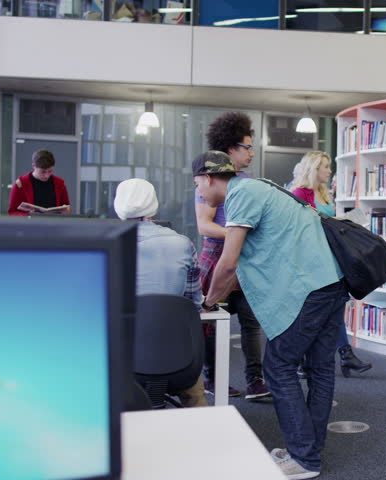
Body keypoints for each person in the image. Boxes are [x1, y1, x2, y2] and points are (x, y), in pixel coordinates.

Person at [195, 150, 346, 480]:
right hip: (332, 283)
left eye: (198, 186)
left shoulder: (240, 195)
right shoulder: (263, 186)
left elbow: (229, 261)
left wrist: (207, 302)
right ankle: (307, 452)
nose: (201, 194)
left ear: (207, 178)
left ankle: (304, 458)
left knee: (278, 366)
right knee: (320, 368)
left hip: (310, 291)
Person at [195, 111, 270, 401]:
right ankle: (213, 379)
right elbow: (204, 225)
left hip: (243, 258)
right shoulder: (209, 180)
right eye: (247, 147)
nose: (252, 153)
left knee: (251, 321)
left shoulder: (247, 181)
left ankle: (255, 381)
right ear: (229, 149)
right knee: (213, 325)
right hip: (218, 258)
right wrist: (238, 235)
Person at [113, 178, 207, 408]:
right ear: (154, 205)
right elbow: (194, 303)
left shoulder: (109, 245)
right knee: (195, 396)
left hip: (122, 363)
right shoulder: (183, 244)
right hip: (178, 358)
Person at [290, 151, 373, 377]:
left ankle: (343, 355)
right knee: (315, 311)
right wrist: (340, 221)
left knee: (335, 307)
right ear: (314, 168)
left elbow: (325, 221)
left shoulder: (325, 193)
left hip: (331, 256)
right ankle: (310, 358)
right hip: (311, 261)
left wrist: (346, 220)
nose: (329, 170)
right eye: (325, 166)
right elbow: (304, 226)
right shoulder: (301, 193)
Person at [8, 149, 71, 216]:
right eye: (43, 172)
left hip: (54, 224)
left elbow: (67, 207)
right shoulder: (20, 184)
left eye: (50, 171)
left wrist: (66, 212)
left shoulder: (60, 184)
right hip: (31, 225)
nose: (47, 176)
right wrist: (28, 215)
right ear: (33, 166)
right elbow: (12, 212)